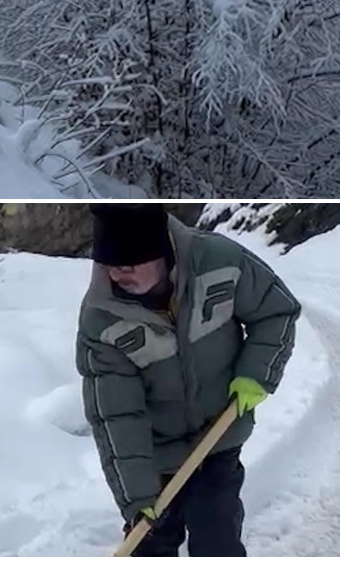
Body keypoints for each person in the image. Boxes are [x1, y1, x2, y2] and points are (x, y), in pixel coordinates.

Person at [75, 204, 299, 557]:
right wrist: (136, 496)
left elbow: (277, 311)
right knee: (151, 543)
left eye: (128, 263)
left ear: (159, 253)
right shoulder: (102, 319)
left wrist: (256, 375)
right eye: (109, 264)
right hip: (153, 453)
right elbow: (115, 416)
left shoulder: (220, 261)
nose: (117, 275)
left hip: (217, 434)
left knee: (216, 537)